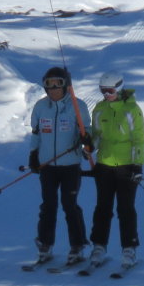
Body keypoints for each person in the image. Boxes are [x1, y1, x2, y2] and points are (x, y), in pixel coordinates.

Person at [27, 67, 91, 268]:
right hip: (48, 166)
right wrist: (33, 154)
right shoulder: (40, 107)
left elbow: (87, 131)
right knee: (48, 205)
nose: (53, 88)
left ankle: (77, 246)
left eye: (58, 83)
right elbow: (36, 133)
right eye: (49, 84)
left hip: (70, 164)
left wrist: (86, 140)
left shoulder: (77, 106)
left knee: (69, 205)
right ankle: (45, 245)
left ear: (65, 85)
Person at [87, 72, 144, 269]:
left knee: (125, 209)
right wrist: (89, 145)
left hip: (126, 165)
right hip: (104, 165)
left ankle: (129, 248)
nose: (106, 95)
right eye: (103, 91)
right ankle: (99, 246)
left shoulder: (132, 110)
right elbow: (96, 135)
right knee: (102, 208)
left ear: (119, 89)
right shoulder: (100, 109)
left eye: (110, 91)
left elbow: (138, 139)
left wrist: (137, 165)